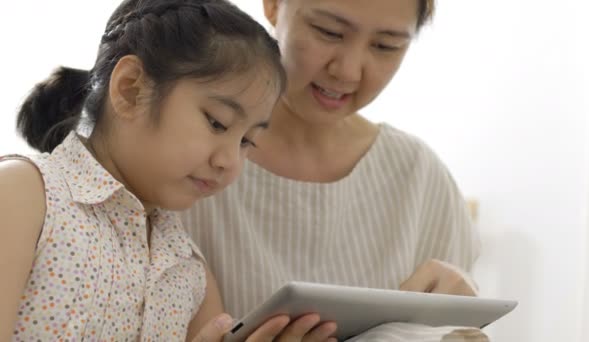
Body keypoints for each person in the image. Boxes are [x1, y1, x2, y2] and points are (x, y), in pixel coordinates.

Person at [0, 0, 319, 341]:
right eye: (217, 123)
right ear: (131, 89)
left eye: (246, 141)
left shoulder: (191, 273)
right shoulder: (23, 196)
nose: (229, 161)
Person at [182, 0, 487, 341]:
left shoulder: (418, 176)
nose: (348, 72)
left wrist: (462, 312)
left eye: (386, 46)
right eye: (328, 32)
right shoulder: (187, 163)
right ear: (272, 6)